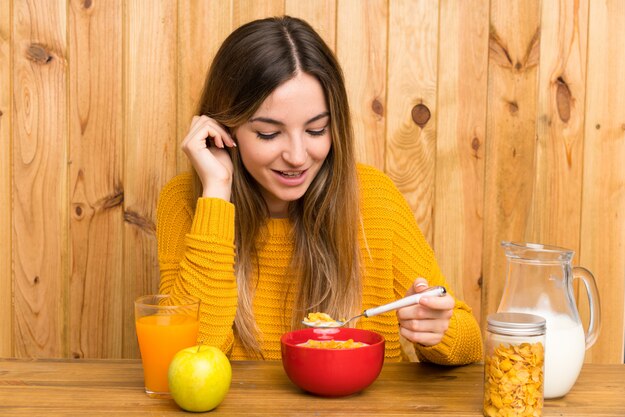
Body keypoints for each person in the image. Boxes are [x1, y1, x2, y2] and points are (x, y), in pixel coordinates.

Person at [157, 15, 483, 364]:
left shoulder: (374, 197)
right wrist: (218, 191)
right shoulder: (188, 201)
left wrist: (438, 331)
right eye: (268, 133)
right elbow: (184, 358)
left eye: (316, 130)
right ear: (226, 129)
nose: (297, 157)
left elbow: (470, 342)